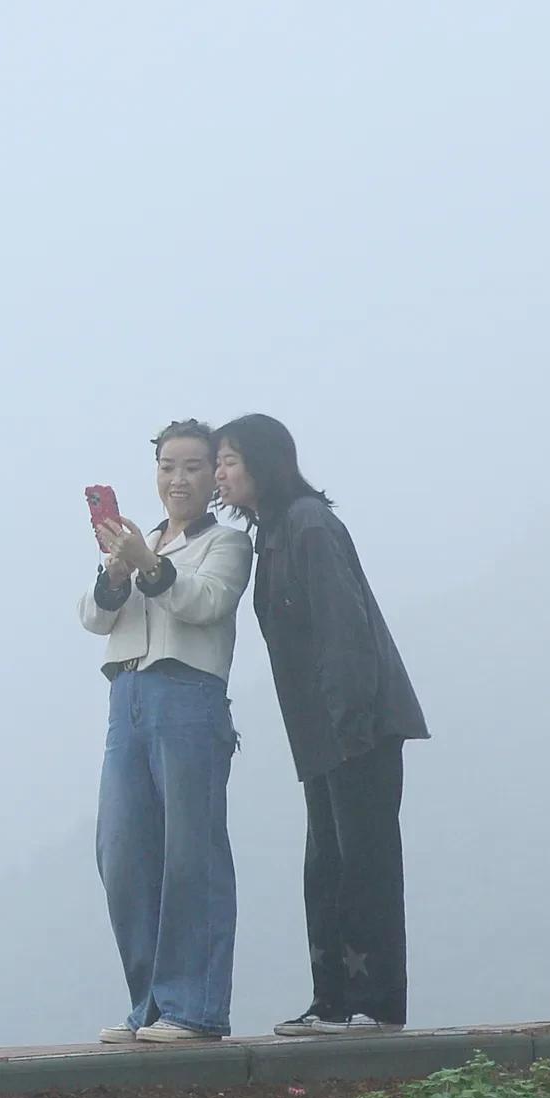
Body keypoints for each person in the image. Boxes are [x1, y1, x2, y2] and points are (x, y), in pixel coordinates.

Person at [214, 414, 428, 1035]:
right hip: (321, 736)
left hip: (355, 726)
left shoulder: (309, 525)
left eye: (228, 460)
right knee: (327, 867)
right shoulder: (276, 533)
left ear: (262, 462)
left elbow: (345, 628)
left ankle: (376, 1003)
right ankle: (331, 1000)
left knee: (366, 864)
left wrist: (350, 719)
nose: (220, 474)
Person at [79, 420, 255, 1042]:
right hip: (126, 695)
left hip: (187, 694)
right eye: (167, 467)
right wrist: (119, 569)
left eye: (193, 467)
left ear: (214, 476)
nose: (178, 479)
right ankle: (149, 1004)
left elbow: (205, 604)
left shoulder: (227, 544)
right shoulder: (139, 540)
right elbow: (94, 618)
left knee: (192, 852)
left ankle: (196, 1008)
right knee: (123, 851)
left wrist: (146, 563)